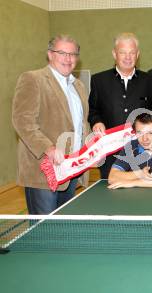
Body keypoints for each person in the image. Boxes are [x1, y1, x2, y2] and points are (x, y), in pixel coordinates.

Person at [12, 35, 89, 214]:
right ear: (50, 54)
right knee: (44, 228)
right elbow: (23, 121)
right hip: (42, 172)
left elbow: (80, 124)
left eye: (73, 54)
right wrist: (49, 148)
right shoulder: (33, 79)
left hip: (71, 170)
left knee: (62, 226)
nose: (68, 59)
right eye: (62, 53)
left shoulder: (79, 86)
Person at [88, 32, 152, 179]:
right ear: (115, 54)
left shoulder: (150, 81)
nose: (128, 57)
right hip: (110, 154)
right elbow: (93, 110)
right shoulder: (99, 81)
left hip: (142, 151)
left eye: (132, 52)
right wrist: (96, 122)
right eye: (123, 52)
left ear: (138, 54)